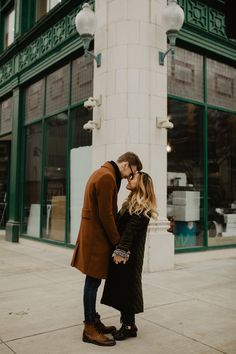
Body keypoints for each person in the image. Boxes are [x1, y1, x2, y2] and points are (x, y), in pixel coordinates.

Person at [71, 152, 142, 346]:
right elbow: (106, 215)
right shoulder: (107, 177)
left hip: (94, 237)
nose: (129, 178)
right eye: (130, 174)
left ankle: (93, 320)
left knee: (93, 281)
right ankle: (89, 328)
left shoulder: (103, 173)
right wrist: (118, 241)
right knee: (92, 282)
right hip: (96, 239)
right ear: (126, 164)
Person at [101, 171, 158, 340]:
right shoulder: (131, 202)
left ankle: (128, 326)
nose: (129, 178)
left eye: (133, 177)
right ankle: (129, 324)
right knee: (122, 289)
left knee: (127, 290)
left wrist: (121, 251)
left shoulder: (142, 206)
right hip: (125, 254)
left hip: (128, 257)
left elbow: (130, 232)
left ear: (141, 184)